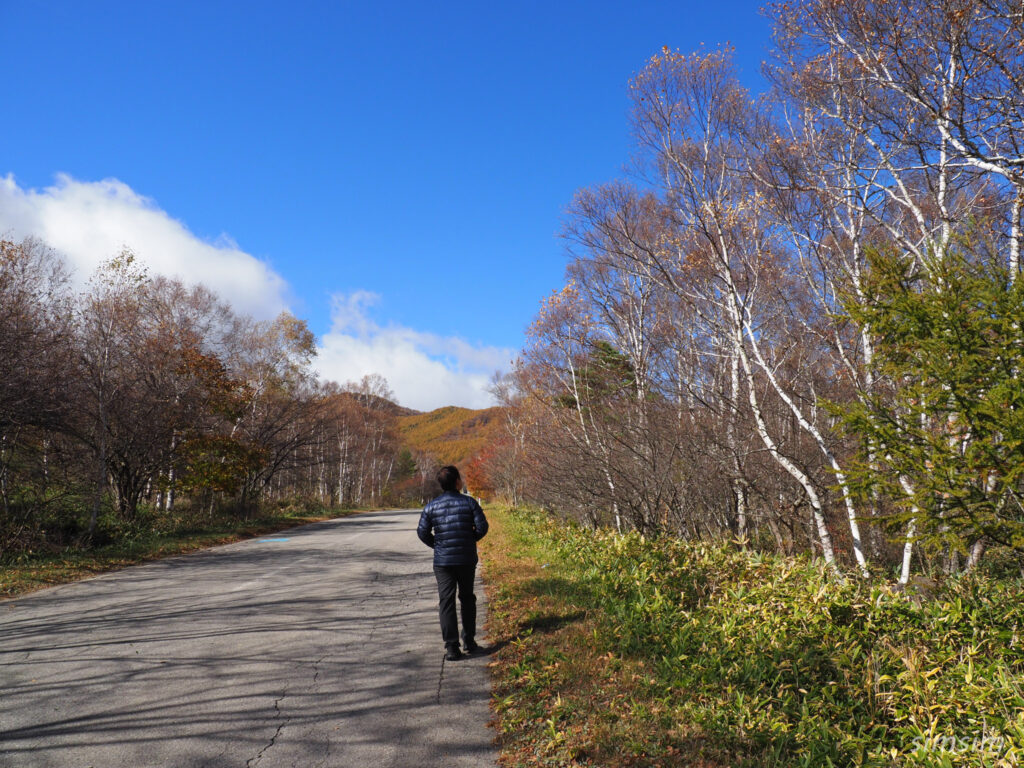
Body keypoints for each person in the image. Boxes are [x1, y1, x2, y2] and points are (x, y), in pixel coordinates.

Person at [417, 465, 489, 661]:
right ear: (457, 481)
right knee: (467, 598)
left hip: (443, 561)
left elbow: (422, 532)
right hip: (465, 558)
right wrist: (469, 540)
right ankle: (469, 642)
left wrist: (438, 546)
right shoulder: (469, 503)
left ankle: (451, 647)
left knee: (446, 601)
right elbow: (483, 527)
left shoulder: (431, 506)